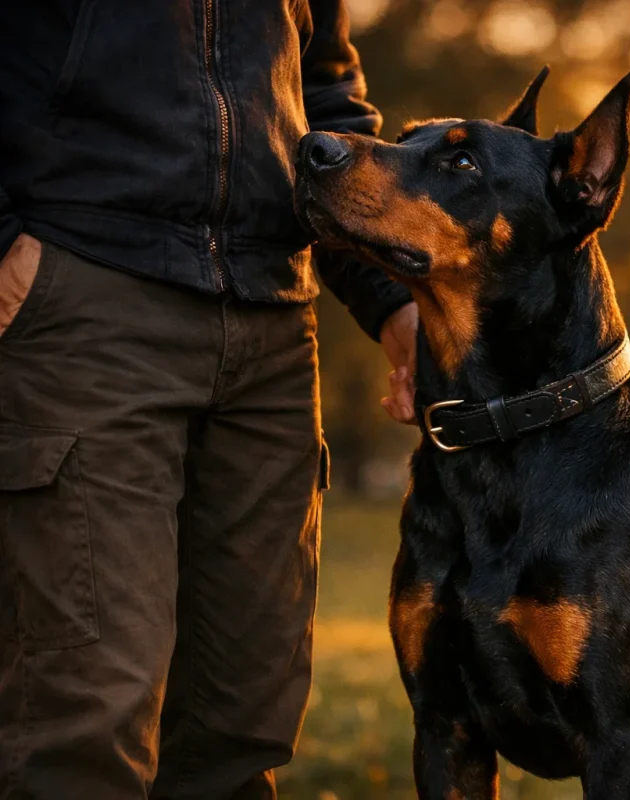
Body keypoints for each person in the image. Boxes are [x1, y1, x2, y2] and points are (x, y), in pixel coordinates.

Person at [0, 2, 418, 797]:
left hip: (272, 325)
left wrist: (389, 295)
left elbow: (322, 97)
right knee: (84, 720)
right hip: (86, 292)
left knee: (239, 722)